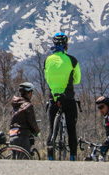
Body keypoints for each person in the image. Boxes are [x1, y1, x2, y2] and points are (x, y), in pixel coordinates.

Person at [44, 32, 80, 161]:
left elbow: (46, 77)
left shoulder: (47, 60)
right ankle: (72, 156)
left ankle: (50, 157)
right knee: (71, 129)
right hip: (68, 98)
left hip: (53, 98)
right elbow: (77, 80)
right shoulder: (72, 60)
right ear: (66, 45)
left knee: (51, 130)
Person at [9, 82, 40, 158]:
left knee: (14, 161)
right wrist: (37, 132)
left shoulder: (15, 105)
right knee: (24, 162)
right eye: (31, 92)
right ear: (28, 93)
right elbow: (32, 122)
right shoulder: (28, 105)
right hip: (22, 136)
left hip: (12, 135)